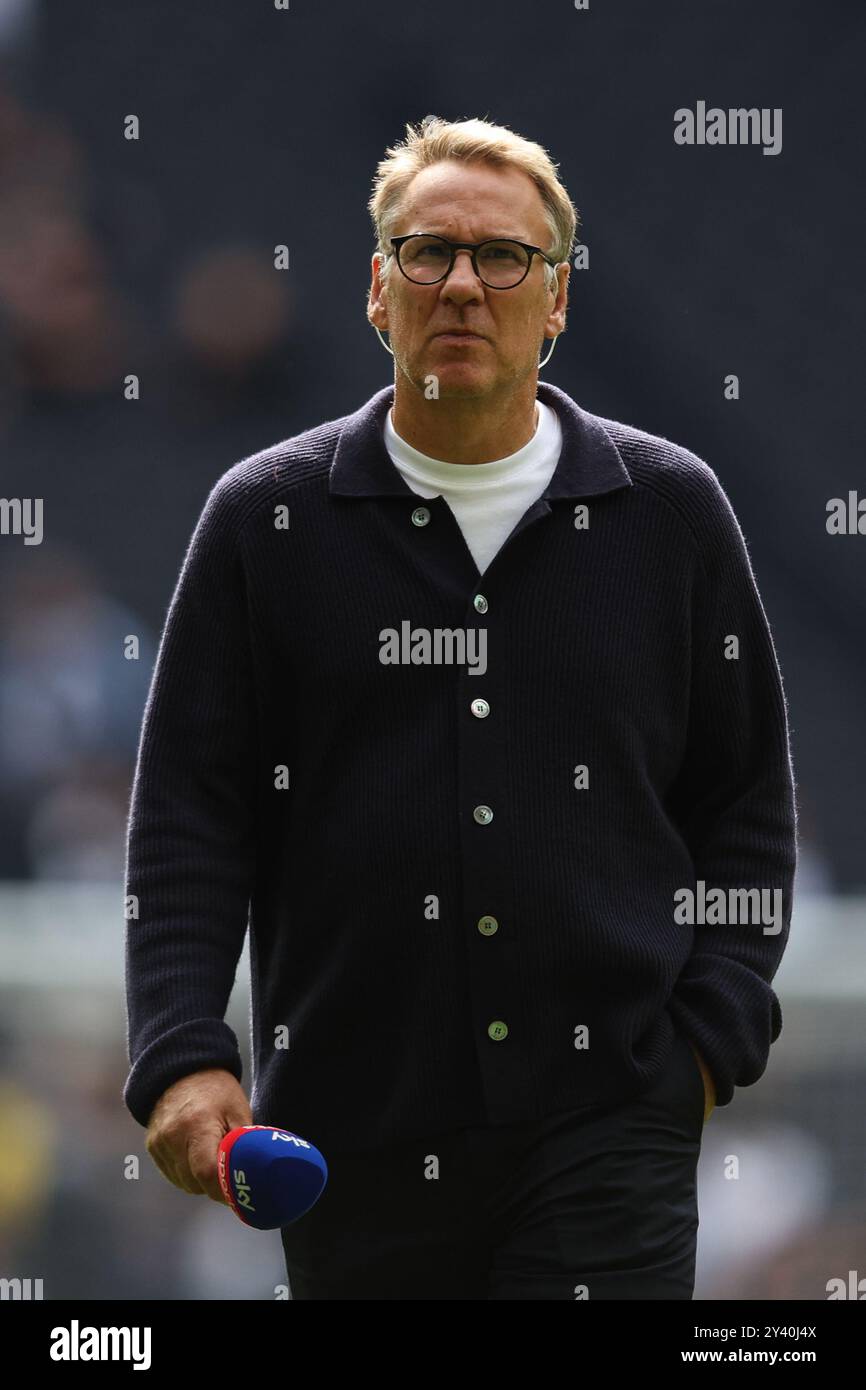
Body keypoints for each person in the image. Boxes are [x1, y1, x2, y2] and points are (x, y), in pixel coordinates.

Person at [124, 115, 797, 1299]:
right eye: (426, 253)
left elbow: (742, 800)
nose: (464, 287)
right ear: (377, 292)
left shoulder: (670, 513)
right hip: (351, 1133)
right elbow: (188, 816)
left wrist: (704, 1042)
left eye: (505, 259)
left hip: (609, 1125)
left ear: (557, 301)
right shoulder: (263, 519)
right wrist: (181, 1058)